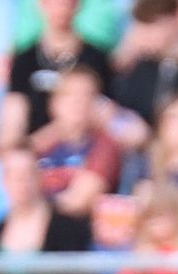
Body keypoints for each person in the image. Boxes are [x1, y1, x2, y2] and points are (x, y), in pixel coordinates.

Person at [0, 0, 113, 150]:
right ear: (41, 3)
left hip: (85, 146)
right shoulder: (25, 59)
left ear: (78, 3)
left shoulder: (95, 57)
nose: (60, 6)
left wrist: (49, 136)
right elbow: (15, 107)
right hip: (32, 148)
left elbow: (104, 109)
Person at [0, 144, 96, 274]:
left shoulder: (67, 226)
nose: (20, 181)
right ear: (3, 180)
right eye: (13, 174)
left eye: (27, 173)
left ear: (39, 176)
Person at [30, 66, 122, 218]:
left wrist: (30, 207)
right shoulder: (42, 143)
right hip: (32, 218)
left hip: (71, 224)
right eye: (69, 94)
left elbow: (78, 202)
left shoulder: (105, 145)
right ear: (54, 103)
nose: (78, 101)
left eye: (86, 95)